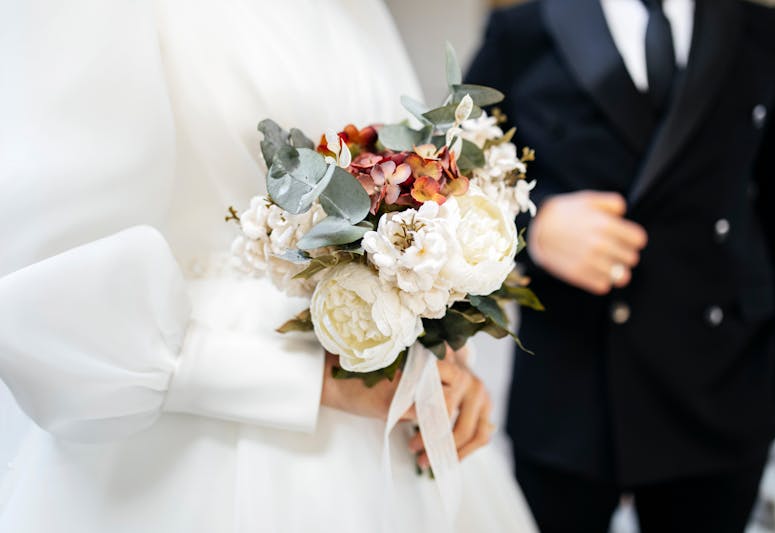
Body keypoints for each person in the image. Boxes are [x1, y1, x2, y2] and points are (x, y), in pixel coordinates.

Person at [0, 1, 538, 531]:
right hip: (204, 448)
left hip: (389, 430)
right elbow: (53, 289)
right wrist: (312, 381)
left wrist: (442, 350)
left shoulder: (360, 11)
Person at [466, 0, 775, 531]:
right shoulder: (522, 29)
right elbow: (454, 180)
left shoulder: (763, 29)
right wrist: (536, 224)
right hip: (570, 391)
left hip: (726, 386)